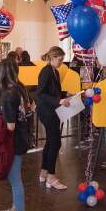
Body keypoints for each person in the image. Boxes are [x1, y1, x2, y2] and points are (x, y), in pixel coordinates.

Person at [0, 58, 32, 211]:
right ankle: (15, 206)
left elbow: (10, 126)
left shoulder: (9, 94)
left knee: (14, 177)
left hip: (15, 141)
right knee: (13, 176)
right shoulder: (20, 88)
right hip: (22, 137)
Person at [36, 46, 69, 190]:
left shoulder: (54, 71)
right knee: (55, 143)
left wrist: (65, 97)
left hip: (52, 110)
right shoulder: (46, 72)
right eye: (60, 59)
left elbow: (54, 91)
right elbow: (41, 94)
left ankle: (44, 172)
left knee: (51, 142)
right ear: (53, 57)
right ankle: (51, 176)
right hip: (47, 111)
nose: (61, 62)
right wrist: (58, 101)